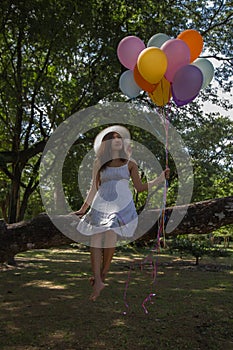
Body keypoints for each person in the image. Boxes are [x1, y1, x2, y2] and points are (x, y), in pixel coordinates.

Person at [74, 125, 169, 301]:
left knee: (110, 232)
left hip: (121, 204)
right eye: (113, 138)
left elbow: (140, 188)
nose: (117, 140)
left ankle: (102, 276)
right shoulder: (99, 163)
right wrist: (82, 210)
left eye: (119, 138)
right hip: (101, 203)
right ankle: (97, 279)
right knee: (95, 239)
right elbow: (93, 189)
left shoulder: (130, 164)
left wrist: (160, 179)